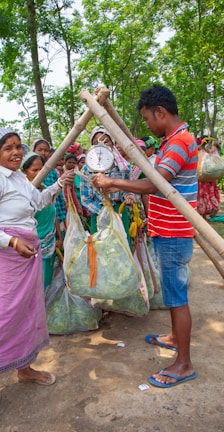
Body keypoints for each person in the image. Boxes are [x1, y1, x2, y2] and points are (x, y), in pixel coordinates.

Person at [0, 127, 74, 432]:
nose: (15, 153)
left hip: (26, 256)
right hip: (4, 259)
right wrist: (10, 242)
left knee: (26, 313)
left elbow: (36, 204)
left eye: (17, 147)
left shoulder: (19, 180)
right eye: (8, 149)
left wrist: (58, 186)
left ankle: (24, 368)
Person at [92, 85, 198, 388]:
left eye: (148, 119)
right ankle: (175, 338)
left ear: (160, 112)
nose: (148, 125)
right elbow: (152, 173)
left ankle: (183, 363)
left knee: (176, 298)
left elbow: (156, 184)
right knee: (172, 291)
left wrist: (114, 181)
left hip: (175, 231)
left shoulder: (181, 142)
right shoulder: (171, 141)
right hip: (168, 229)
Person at [80, 126, 135, 241]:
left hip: (119, 212)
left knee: (122, 246)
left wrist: (128, 197)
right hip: (99, 214)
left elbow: (129, 188)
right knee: (102, 250)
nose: (102, 144)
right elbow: (85, 199)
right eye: (96, 142)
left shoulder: (123, 167)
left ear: (112, 143)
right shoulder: (87, 170)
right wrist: (103, 213)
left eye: (106, 141)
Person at [20, 151, 63, 290]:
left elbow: (53, 214)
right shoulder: (21, 194)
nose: (39, 173)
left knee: (47, 280)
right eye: (34, 170)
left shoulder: (45, 190)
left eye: (41, 169)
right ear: (24, 172)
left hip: (49, 242)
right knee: (35, 283)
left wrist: (59, 236)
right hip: (32, 246)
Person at [32, 138, 67, 237]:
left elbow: (58, 194)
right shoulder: (28, 172)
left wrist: (63, 211)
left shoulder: (52, 171)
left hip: (56, 213)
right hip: (38, 219)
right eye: (40, 150)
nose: (43, 153)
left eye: (46, 150)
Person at [196, 137, 221, 219]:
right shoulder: (210, 153)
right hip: (210, 179)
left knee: (202, 196)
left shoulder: (200, 152)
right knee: (210, 194)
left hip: (202, 178)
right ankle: (212, 208)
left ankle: (204, 213)